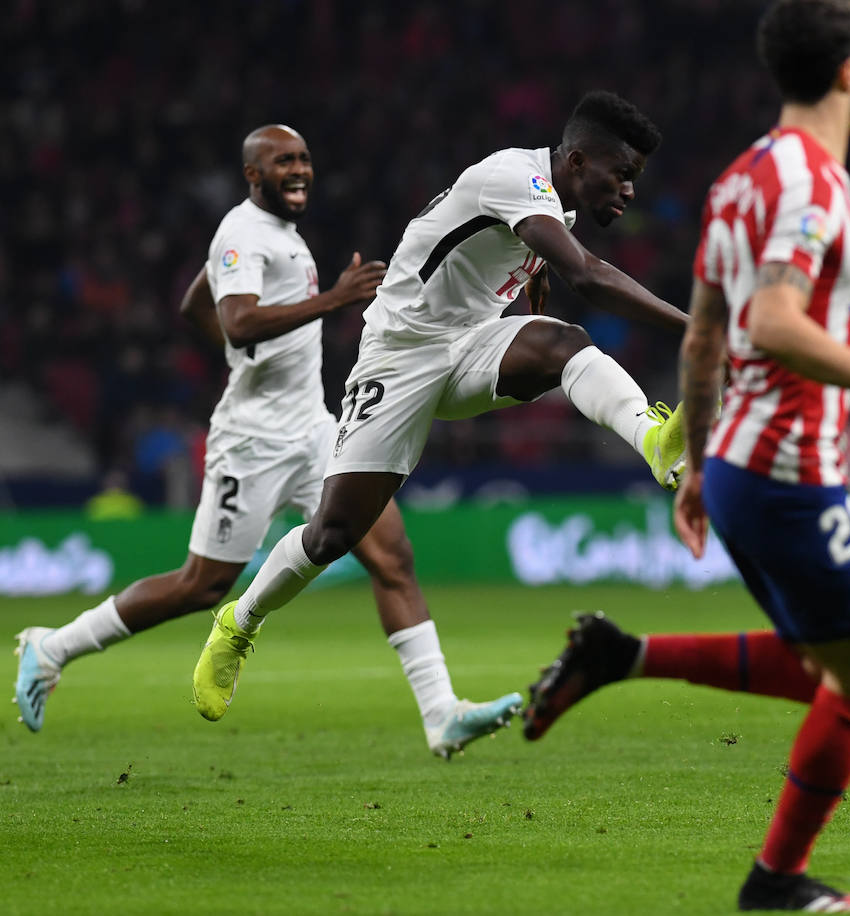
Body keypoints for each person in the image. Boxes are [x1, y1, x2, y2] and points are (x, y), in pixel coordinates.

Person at [522, 2, 850, 911]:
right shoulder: (813, 185)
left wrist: (696, 463)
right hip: (785, 469)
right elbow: (769, 322)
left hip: (736, 465)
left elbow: (704, 342)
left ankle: (620, 656)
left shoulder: (740, 181)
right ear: (849, 71)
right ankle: (775, 883)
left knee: (828, 664)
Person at [15, 125, 521, 759]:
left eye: (305, 158)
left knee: (393, 558)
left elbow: (195, 303)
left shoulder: (281, 235)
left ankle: (442, 713)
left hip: (314, 428)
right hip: (251, 444)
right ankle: (52, 646)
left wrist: (242, 353)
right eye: (284, 161)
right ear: (253, 174)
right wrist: (330, 301)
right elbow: (235, 317)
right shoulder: (243, 234)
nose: (300, 169)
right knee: (202, 586)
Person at [190, 93, 689, 721]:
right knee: (333, 533)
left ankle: (655, 440)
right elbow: (586, 276)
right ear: (580, 159)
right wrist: (696, 328)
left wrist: (528, 324)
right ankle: (239, 621)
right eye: (623, 173)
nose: (628, 190)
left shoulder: (556, 204)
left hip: (469, 345)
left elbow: (531, 285)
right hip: (399, 359)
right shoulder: (516, 177)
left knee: (564, 342)